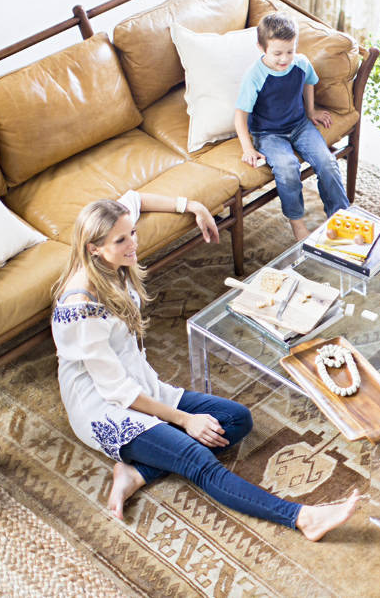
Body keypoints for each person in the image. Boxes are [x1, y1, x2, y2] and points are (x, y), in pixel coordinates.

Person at [51, 191, 359, 541]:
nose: (132, 243)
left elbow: (134, 199)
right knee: (198, 458)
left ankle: (137, 474)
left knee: (235, 420)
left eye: (132, 233)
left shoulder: (110, 242)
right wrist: (183, 419)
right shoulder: (81, 309)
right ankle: (302, 518)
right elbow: (116, 391)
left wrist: (192, 206)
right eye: (121, 240)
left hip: (141, 385)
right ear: (93, 247)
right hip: (104, 407)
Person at [234, 12, 351, 241]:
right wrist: (248, 148)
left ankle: (340, 215)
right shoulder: (254, 76)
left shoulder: (300, 62)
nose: (284, 59)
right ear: (261, 47)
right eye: (277, 53)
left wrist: (311, 111)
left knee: (327, 162)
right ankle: (297, 224)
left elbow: (309, 81)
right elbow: (240, 116)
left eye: (290, 51)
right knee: (287, 168)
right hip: (268, 134)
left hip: (299, 125)